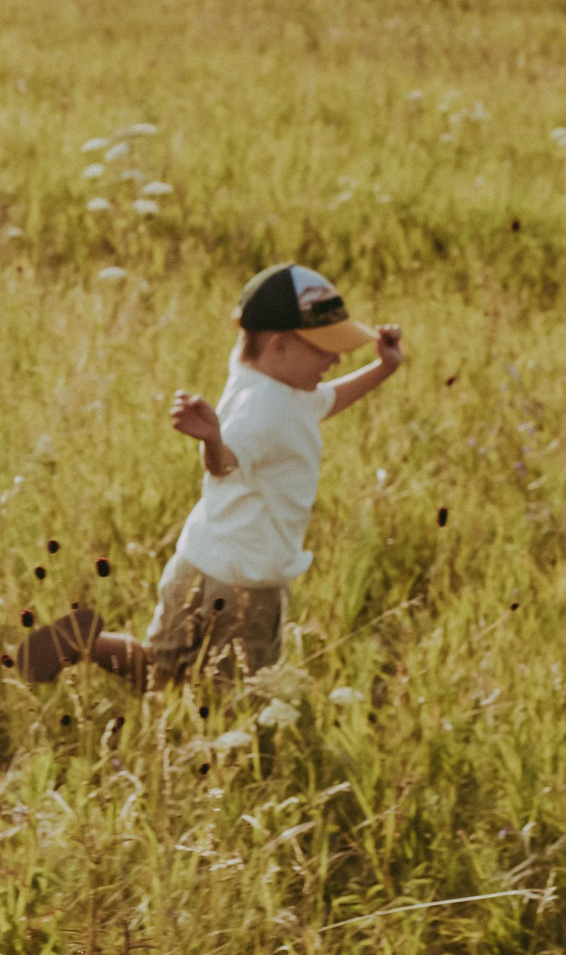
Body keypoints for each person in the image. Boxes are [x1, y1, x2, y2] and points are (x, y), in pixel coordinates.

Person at [22, 263, 402, 685]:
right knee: (232, 693)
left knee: (158, 668)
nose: (336, 358)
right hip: (246, 584)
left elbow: (325, 401)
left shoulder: (270, 383)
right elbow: (225, 464)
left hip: (198, 560)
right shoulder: (264, 409)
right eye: (325, 348)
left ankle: (86, 645)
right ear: (278, 345)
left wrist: (383, 368)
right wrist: (213, 442)